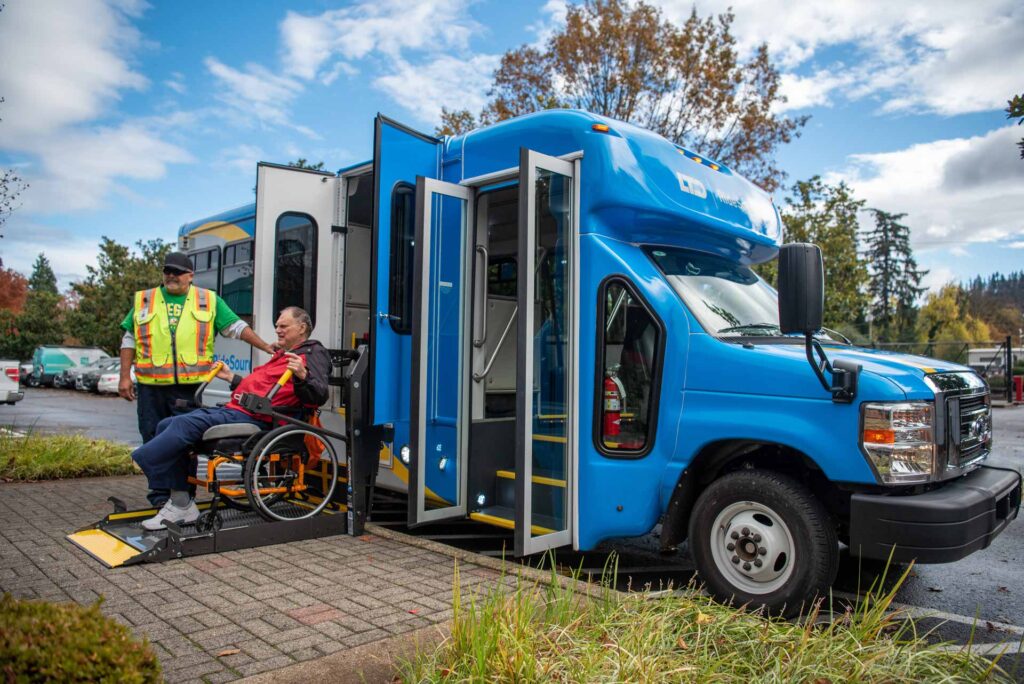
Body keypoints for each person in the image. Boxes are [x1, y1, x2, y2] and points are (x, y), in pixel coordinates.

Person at [132, 306, 331, 530]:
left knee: (182, 423)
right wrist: (231, 377)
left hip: (262, 420)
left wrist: (303, 375)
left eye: (283, 326)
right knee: (166, 423)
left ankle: (140, 461)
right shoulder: (281, 356)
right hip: (240, 410)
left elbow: (319, 395)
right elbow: (259, 388)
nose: (277, 330)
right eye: (277, 325)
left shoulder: (313, 353)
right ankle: (181, 503)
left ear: (302, 328)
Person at [118, 251, 274, 506]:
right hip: (150, 388)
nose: (171, 276)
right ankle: (159, 498)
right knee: (152, 437)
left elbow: (236, 327)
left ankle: (183, 497)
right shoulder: (145, 299)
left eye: (178, 272)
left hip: (190, 389)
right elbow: (128, 339)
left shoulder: (207, 300)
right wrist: (125, 377)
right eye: (168, 270)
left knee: (184, 442)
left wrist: (266, 346)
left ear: (191, 275)